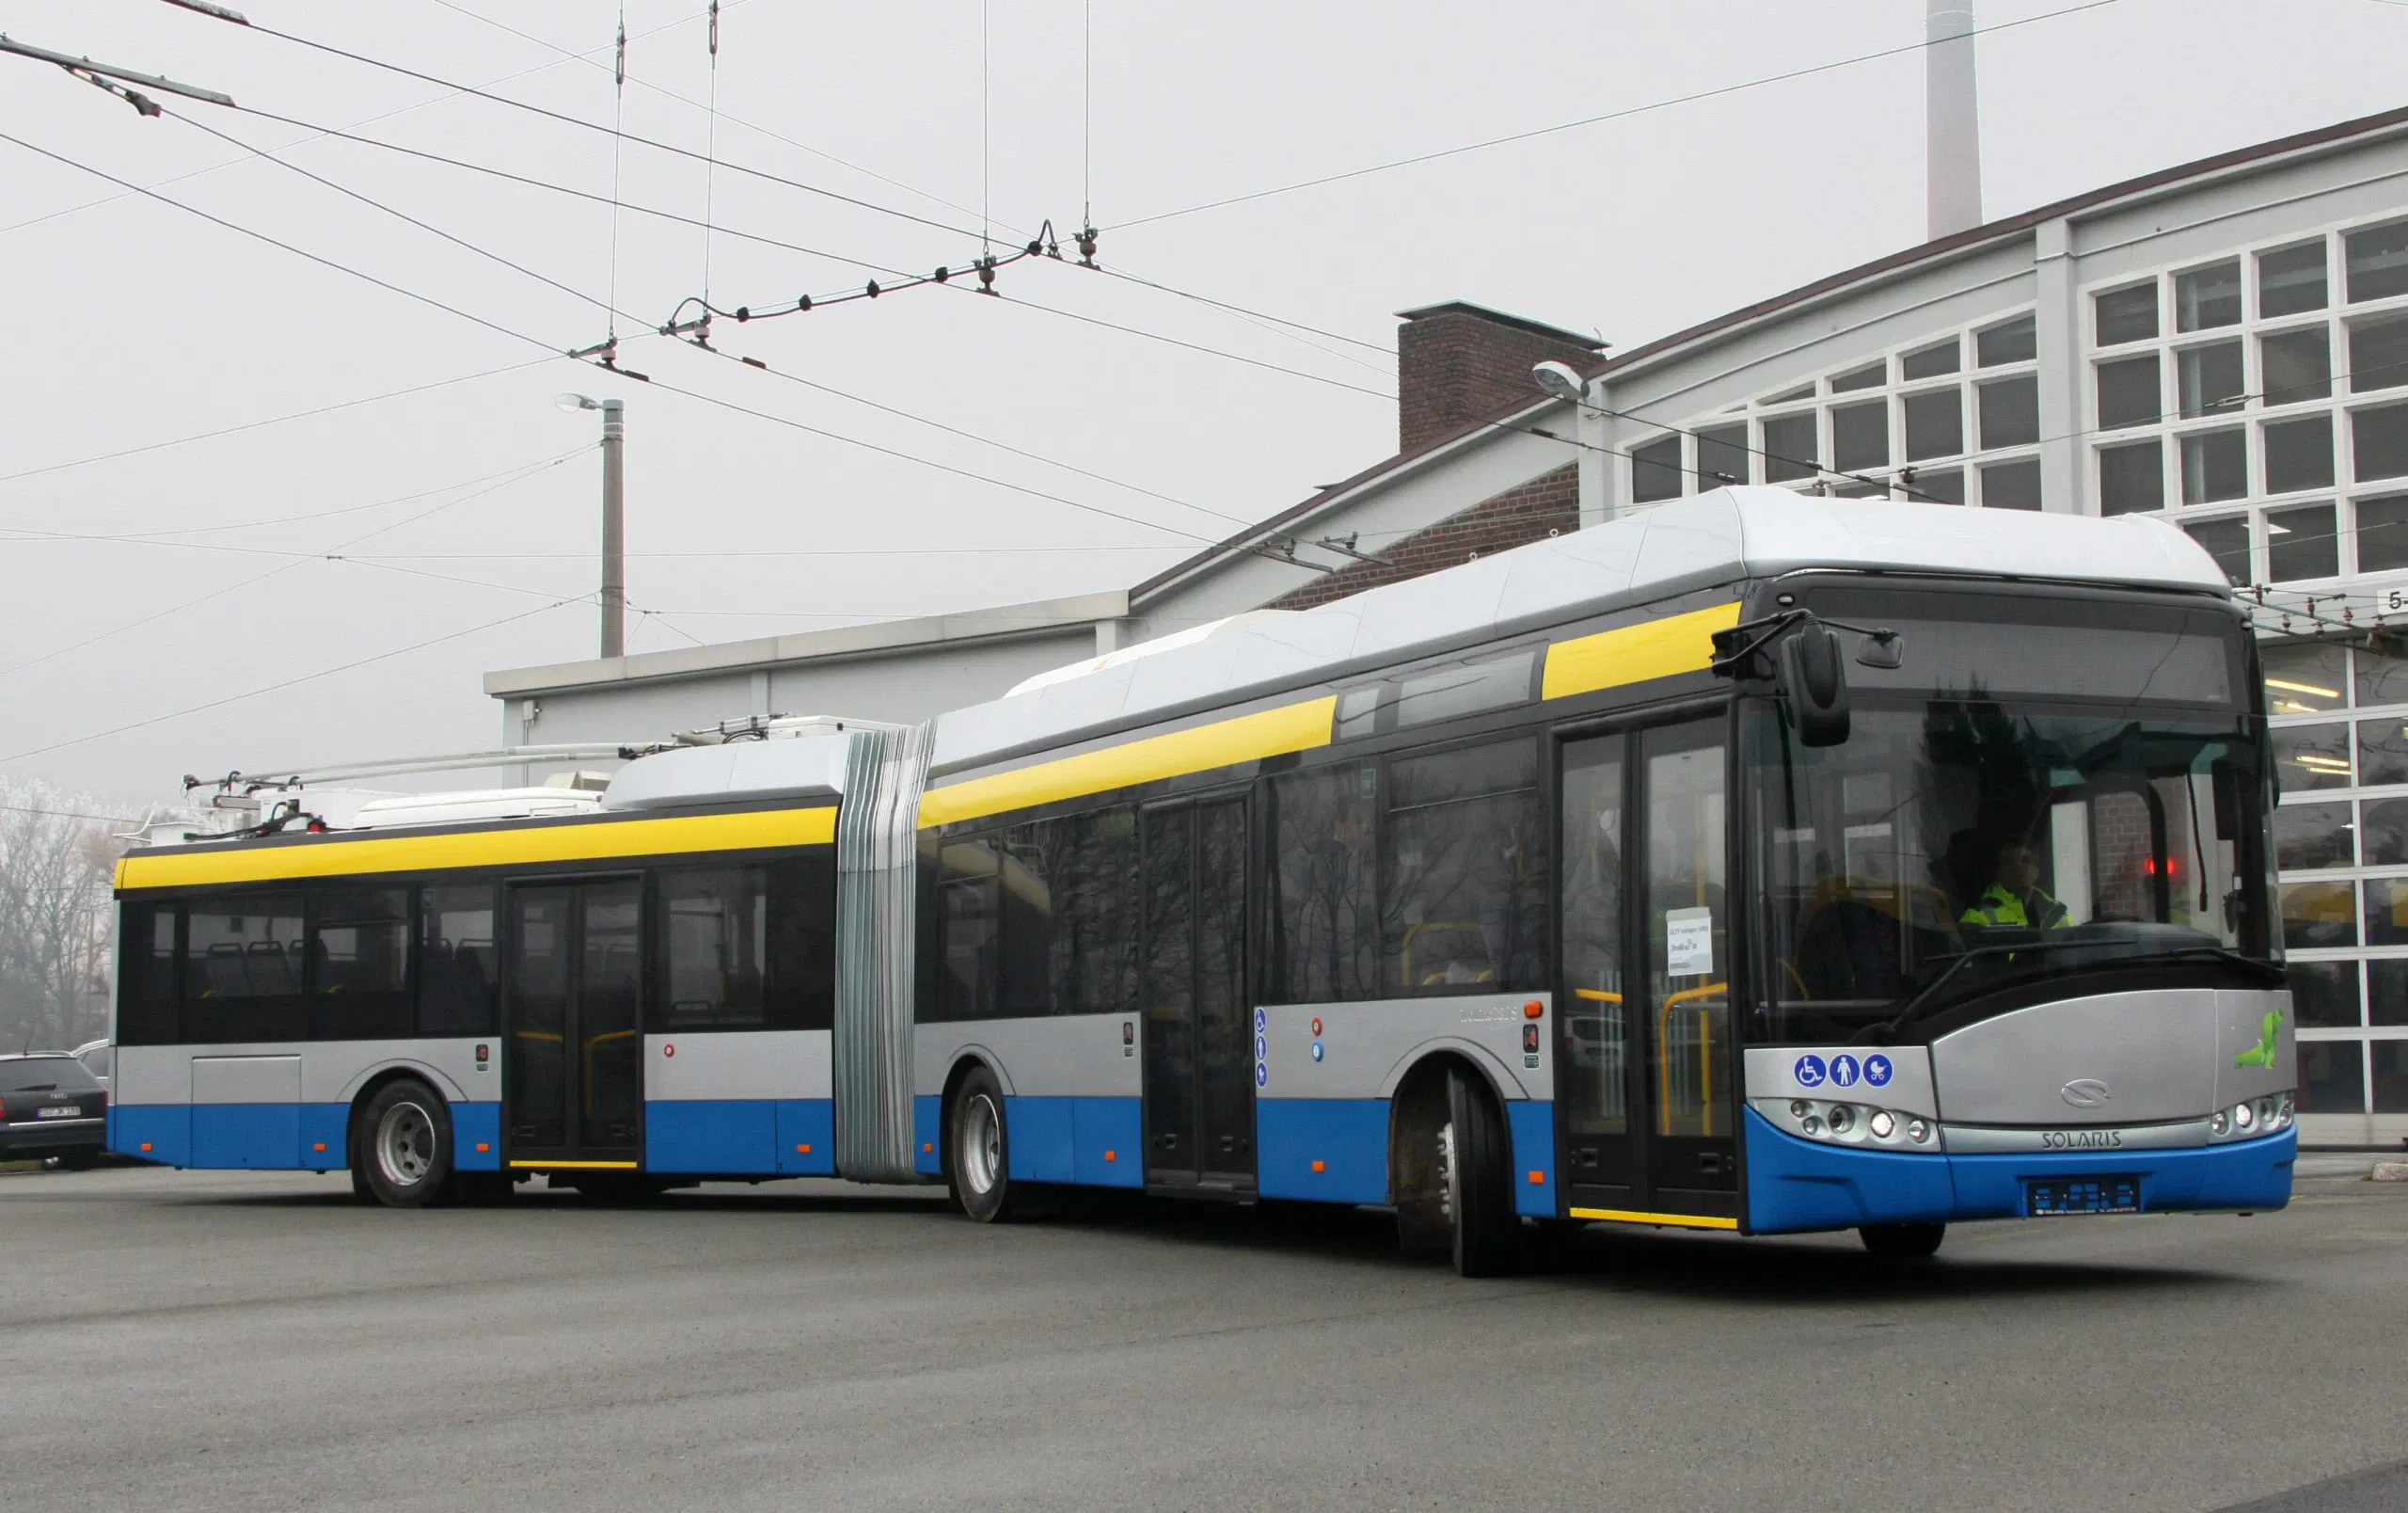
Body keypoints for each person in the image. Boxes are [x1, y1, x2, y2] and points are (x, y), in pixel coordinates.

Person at [1960, 840, 2070, 931]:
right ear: (1998, 872)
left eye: (2025, 860)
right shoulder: (1976, 918)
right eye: (2008, 861)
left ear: (2037, 871)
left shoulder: (2057, 912)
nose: (2017, 865)